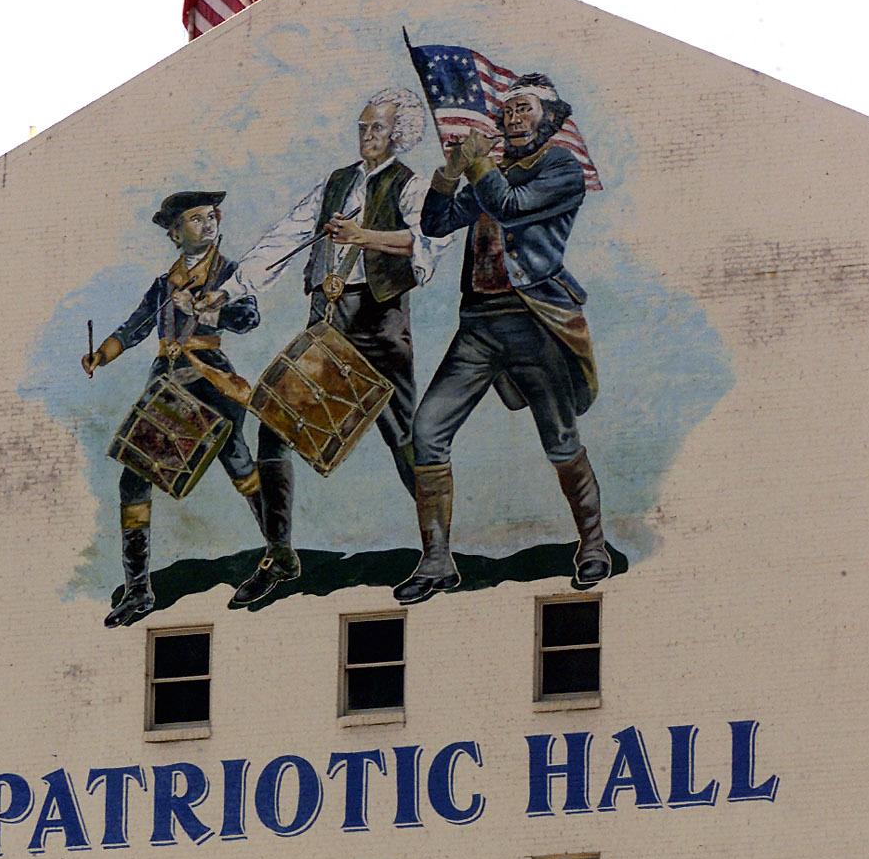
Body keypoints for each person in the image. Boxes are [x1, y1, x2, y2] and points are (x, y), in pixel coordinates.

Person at [209, 88, 435, 609]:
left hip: (379, 324)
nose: (367, 136)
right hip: (328, 321)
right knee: (274, 421)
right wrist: (231, 287)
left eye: (377, 128)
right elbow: (284, 238)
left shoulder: (411, 185)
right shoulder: (336, 183)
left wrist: (363, 235)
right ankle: (280, 553)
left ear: (399, 134)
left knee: (403, 435)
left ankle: (437, 553)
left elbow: (426, 240)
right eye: (363, 127)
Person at [394, 73, 612, 605]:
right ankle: (437, 560)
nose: (512, 118)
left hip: (535, 320)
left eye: (524, 110)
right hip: (479, 325)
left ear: (550, 119)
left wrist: (478, 163)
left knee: (561, 441)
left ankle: (594, 545)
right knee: (427, 431)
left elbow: (510, 205)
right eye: (507, 109)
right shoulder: (498, 170)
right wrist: (449, 171)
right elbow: (438, 221)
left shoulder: (561, 168)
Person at [81, 190, 266, 628]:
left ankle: (278, 551)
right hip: (166, 383)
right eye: (196, 219)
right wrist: (101, 356)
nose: (207, 224)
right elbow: (137, 325)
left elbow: (248, 318)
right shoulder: (164, 284)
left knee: (237, 459)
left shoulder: (229, 273)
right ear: (174, 234)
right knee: (134, 477)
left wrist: (206, 312)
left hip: (210, 378)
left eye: (210, 216)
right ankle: (139, 590)